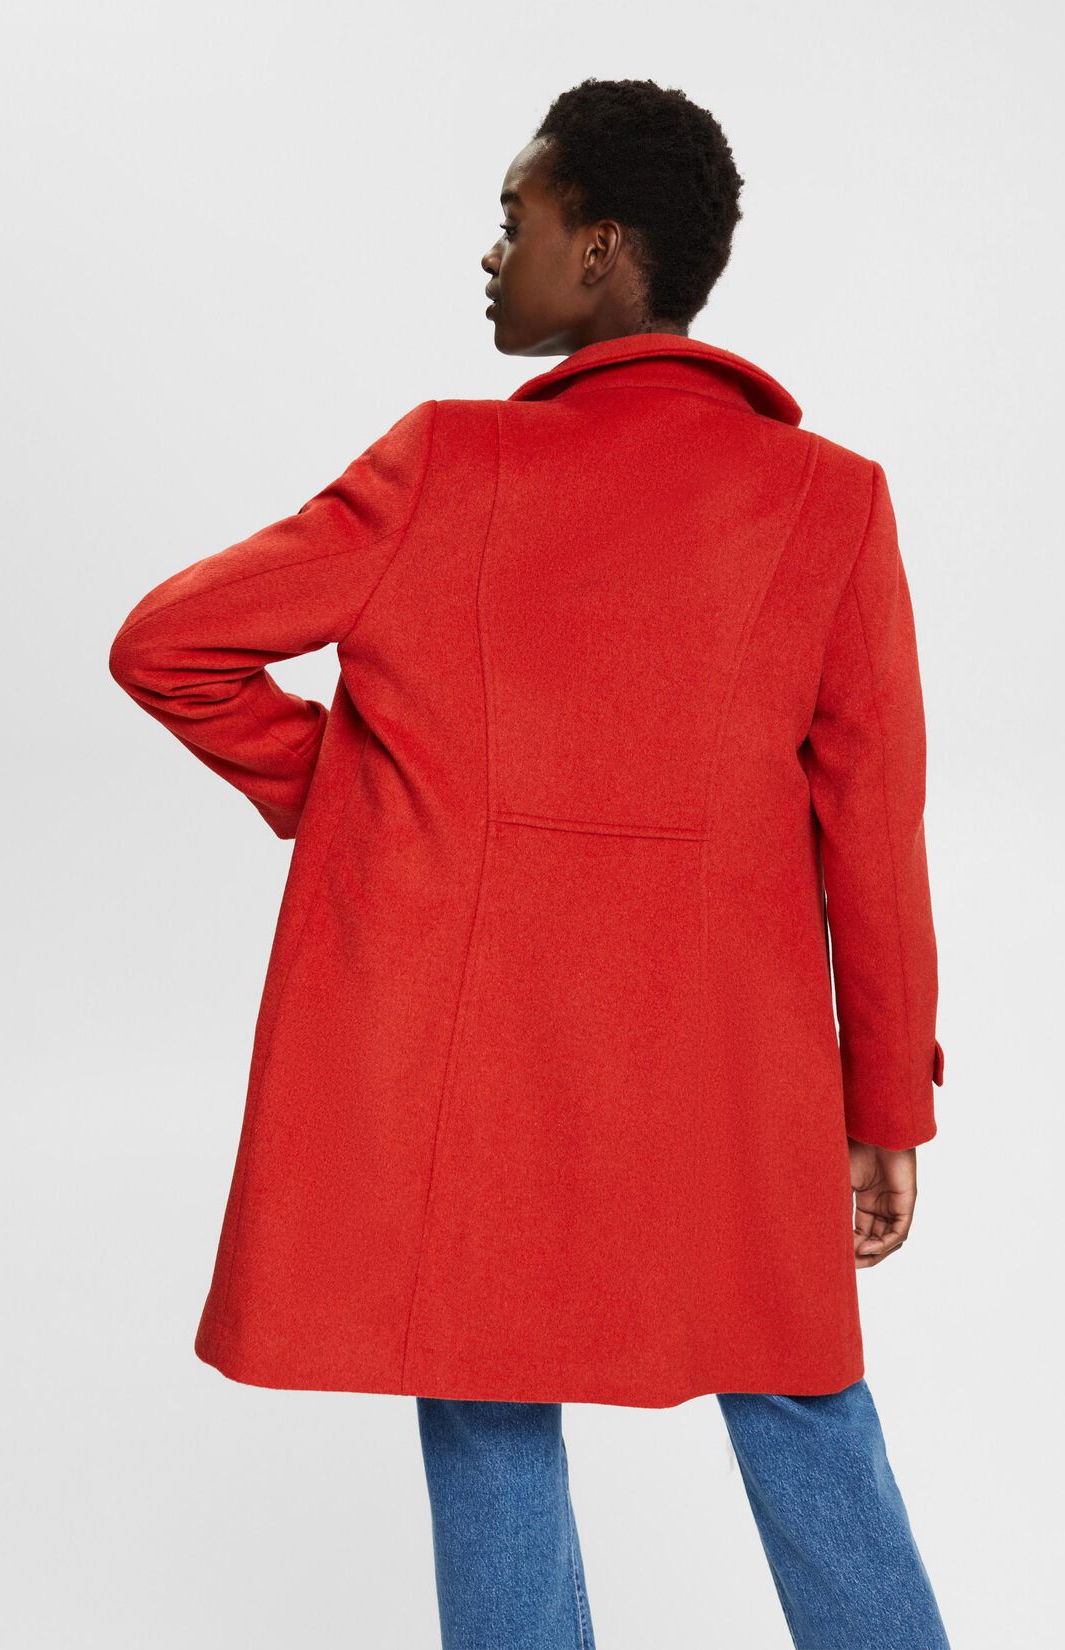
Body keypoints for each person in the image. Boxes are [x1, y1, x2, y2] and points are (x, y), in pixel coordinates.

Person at [108, 76, 950, 1650]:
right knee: (806, 1403)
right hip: (732, 1070)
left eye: (518, 219)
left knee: (490, 1404)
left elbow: (169, 644)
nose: (493, 254)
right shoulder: (831, 500)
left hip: (486, 1073)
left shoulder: (445, 464)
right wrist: (886, 1100)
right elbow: (875, 828)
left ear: (603, 247)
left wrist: (359, 799)